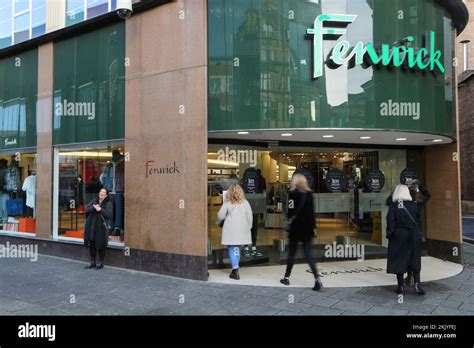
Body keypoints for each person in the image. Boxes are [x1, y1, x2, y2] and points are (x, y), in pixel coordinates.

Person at [280, 174, 322, 291]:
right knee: (308, 254)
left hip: (295, 228)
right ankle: (317, 279)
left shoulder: (292, 194)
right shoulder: (309, 194)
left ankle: (286, 278)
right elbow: (312, 213)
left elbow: (290, 211)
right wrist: (313, 227)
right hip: (307, 228)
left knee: (292, 253)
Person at [386, 184, 425, 295]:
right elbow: (418, 221)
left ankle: (401, 287)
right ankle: (417, 285)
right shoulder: (414, 205)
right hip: (413, 234)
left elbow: (390, 222)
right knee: (415, 258)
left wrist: (390, 234)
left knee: (399, 259)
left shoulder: (393, 206)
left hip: (399, 234)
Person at [216, 184, 253, 280]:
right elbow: (250, 216)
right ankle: (235, 268)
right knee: (237, 248)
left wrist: (218, 222)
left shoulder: (227, 203)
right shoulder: (245, 202)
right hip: (242, 229)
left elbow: (220, 215)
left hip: (230, 229)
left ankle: (235, 269)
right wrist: (249, 227)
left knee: (232, 248)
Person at [84, 188, 113, 270]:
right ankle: (92, 262)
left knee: (101, 245)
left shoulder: (108, 203)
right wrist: (93, 207)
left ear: (106, 195)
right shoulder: (94, 201)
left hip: (102, 227)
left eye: (103, 192)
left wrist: (100, 210)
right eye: (100, 191)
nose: (101, 193)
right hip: (92, 226)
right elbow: (86, 209)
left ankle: (101, 263)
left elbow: (109, 215)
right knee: (92, 244)